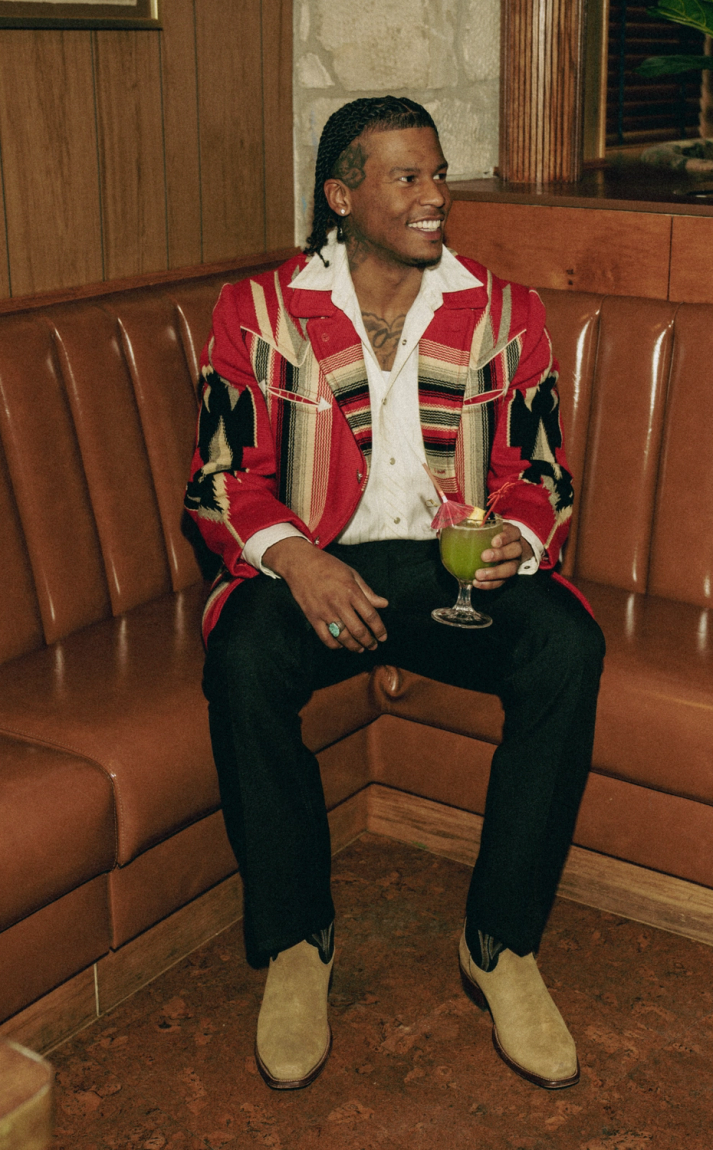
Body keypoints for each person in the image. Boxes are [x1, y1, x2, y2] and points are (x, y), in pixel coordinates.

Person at [185, 95, 605, 1093]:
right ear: (341, 196)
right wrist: (296, 560)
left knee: (565, 647)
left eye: (438, 175)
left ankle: (500, 945)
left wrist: (517, 535)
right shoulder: (257, 312)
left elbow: (542, 472)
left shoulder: (505, 311)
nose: (435, 197)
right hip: (319, 565)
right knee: (241, 658)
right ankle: (296, 941)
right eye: (407, 177)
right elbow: (218, 480)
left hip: (447, 568)